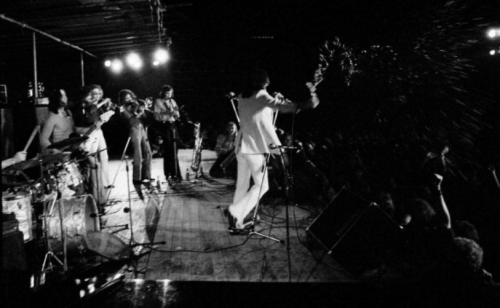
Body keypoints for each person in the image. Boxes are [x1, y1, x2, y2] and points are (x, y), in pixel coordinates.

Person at [226, 69, 319, 233]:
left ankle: (236, 223)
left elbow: (263, 113)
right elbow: (280, 107)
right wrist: (303, 105)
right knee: (262, 186)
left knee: (242, 185)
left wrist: (275, 98)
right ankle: (235, 211)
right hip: (253, 148)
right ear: (265, 82)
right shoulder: (261, 95)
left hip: (241, 147)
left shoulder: (244, 95)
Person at [71, 85, 112, 207]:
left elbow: (96, 118)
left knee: (102, 157)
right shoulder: (83, 106)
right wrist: (103, 102)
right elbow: (87, 117)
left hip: (96, 131)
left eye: (99, 93)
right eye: (92, 94)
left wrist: (105, 116)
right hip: (87, 133)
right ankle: (93, 193)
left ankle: (103, 184)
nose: (95, 96)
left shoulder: (92, 106)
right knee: (91, 162)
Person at [118, 89, 152, 200]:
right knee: (138, 155)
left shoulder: (135, 103)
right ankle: (137, 179)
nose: (129, 99)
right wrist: (138, 111)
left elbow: (145, 117)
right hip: (134, 129)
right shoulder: (122, 107)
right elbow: (128, 117)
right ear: (122, 99)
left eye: (130, 97)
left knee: (148, 153)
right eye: (126, 98)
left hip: (141, 128)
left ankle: (146, 177)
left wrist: (143, 108)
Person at [153, 85, 181, 181]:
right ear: (163, 93)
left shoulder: (172, 101)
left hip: (173, 125)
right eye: (167, 93)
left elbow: (177, 114)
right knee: (168, 150)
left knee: (174, 149)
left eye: (171, 93)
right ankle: (168, 173)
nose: (169, 95)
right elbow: (156, 116)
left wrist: (176, 114)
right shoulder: (158, 101)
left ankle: (176, 172)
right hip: (164, 126)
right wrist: (167, 114)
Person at [39, 88, 75, 154]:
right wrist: (55, 151)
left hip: (71, 148)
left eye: (65, 95)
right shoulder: (52, 117)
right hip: (60, 151)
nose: (65, 98)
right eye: (62, 96)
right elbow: (43, 139)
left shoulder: (68, 112)